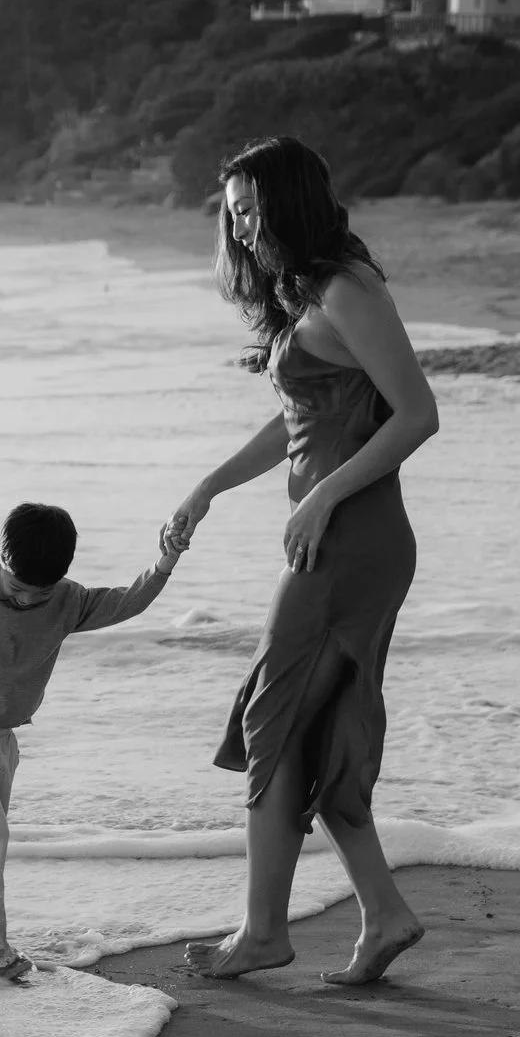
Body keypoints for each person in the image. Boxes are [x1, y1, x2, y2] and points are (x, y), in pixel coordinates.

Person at [166, 136, 440, 985]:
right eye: (233, 215)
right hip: (338, 537)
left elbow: (417, 415)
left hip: (351, 542)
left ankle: (262, 932)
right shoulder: (305, 294)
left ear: (288, 200)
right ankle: (384, 912)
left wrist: (321, 497)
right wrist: (210, 484)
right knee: (307, 731)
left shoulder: (348, 289)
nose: (242, 229)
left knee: (270, 720)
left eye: (251, 209)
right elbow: (298, 422)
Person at [0, 489, 187, 980]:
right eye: (18, 586)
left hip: (3, 739)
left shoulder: (67, 602)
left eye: (38, 594)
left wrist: (165, 561)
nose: (25, 599)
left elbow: (128, 603)